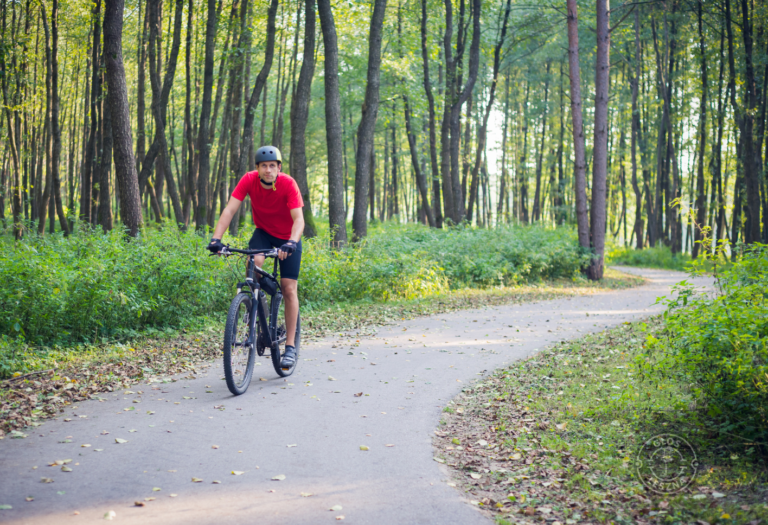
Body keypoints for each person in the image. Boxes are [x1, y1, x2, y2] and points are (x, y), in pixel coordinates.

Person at [206, 146, 304, 368]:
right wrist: (216, 239)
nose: (268, 170)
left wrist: (291, 242)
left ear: (278, 167)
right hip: (264, 234)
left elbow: (299, 219)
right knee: (254, 266)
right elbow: (230, 210)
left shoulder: (288, 184)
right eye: (263, 166)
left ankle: (289, 347)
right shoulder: (249, 180)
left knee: (289, 288)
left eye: (272, 166)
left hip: (289, 238)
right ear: (257, 168)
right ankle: (257, 314)